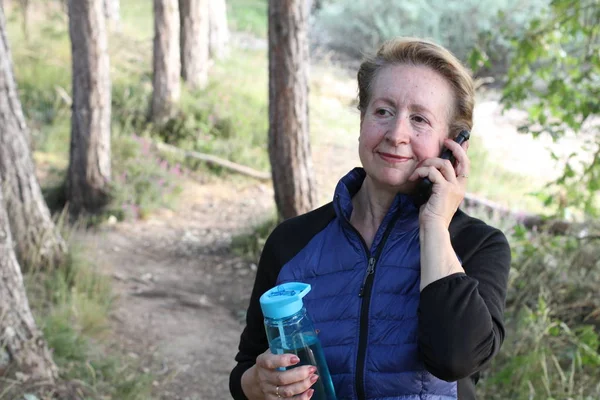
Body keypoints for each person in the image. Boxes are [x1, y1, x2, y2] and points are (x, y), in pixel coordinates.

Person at [229, 37, 511, 400]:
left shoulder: (476, 245)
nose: (396, 135)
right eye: (383, 111)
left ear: (453, 144)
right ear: (362, 120)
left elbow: (455, 359)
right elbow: (245, 368)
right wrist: (257, 383)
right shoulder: (291, 242)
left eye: (420, 119)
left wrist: (435, 224)